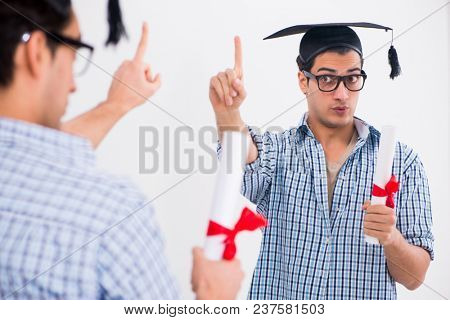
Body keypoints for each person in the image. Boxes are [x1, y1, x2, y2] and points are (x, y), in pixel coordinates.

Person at [0, 0, 244, 299]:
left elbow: (33, 161)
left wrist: (115, 105)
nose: (74, 85)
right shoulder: (108, 216)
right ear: (36, 52)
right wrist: (215, 296)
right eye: (74, 55)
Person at [209, 23, 434, 299]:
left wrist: (391, 238)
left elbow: (415, 278)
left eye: (352, 78)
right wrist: (229, 112)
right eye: (327, 79)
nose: (342, 94)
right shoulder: (280, 150)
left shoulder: (403, 163)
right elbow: (241, 155)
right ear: (303, 81)